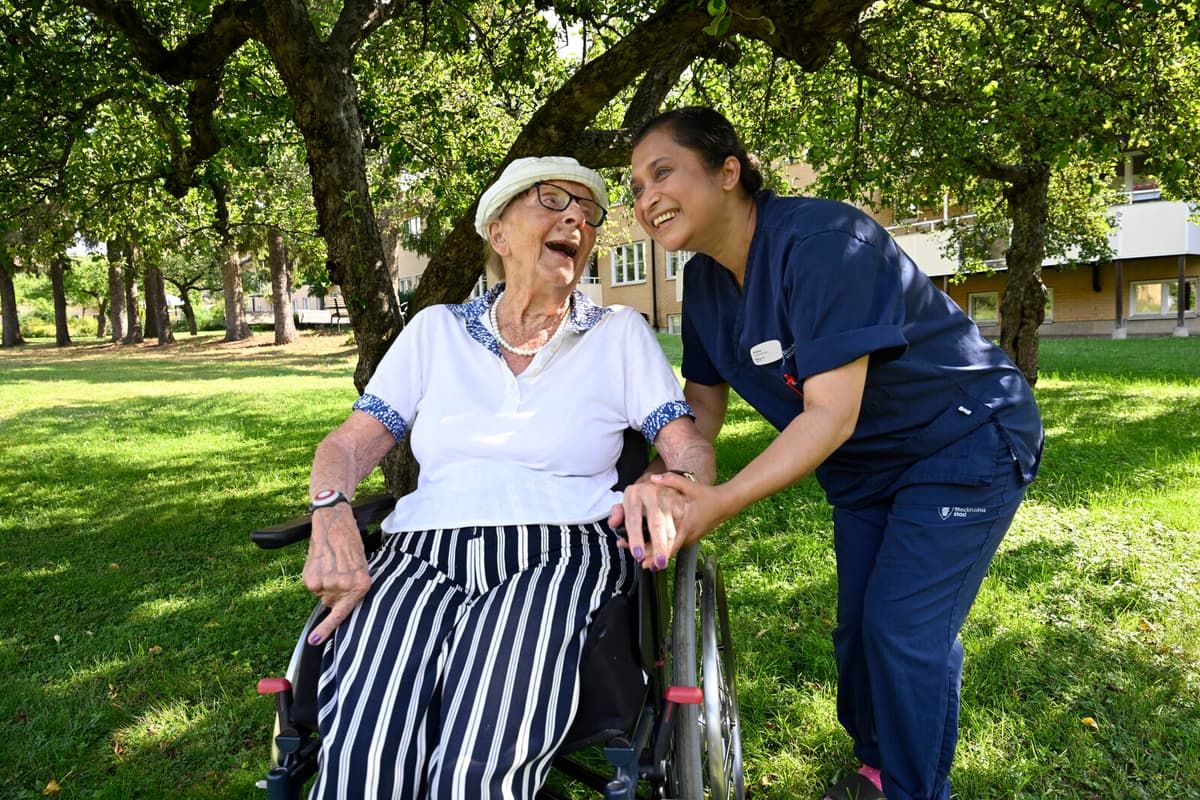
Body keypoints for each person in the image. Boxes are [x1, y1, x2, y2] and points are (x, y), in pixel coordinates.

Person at [626, 107, 1043, 800]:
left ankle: (913, 790)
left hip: (964, 438)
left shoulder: (824, 242)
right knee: (857, 633)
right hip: (866, 466)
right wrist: (667, 477)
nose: (645, 199)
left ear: (729, 172)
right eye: (636, 186)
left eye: (661, 172)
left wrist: (722, 501)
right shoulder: (700, 282)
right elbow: (702, 406)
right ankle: (877, 771)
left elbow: (829, 413)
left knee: (902, 630)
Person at [299, 155, 715, 799]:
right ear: (497, 231)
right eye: (552, 200)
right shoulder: (435, 332)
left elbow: (690, 449)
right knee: (362, 760)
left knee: (479, 768)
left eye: (589, 212)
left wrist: (660, 487)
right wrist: (329, 512)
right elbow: (348, 446)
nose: (577, 217)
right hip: (417, 555)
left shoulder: (618, 333)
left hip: (558, 552)